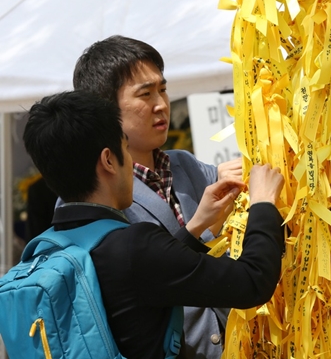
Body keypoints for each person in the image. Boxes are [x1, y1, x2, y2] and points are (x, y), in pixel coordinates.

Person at [23, 90, 285, 359]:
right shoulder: (134, 246)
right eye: (125, 148)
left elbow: (150, 273)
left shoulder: (47, 248)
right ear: (108, 160)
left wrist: (195, 229)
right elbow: (253, 281)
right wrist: (263, 203)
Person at [72, 35, 240, 358]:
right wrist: (198, 226)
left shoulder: (185, 165)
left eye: (162, 89)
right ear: (106, 111)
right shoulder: (92, 195)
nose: (162, 104)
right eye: (145, 94)